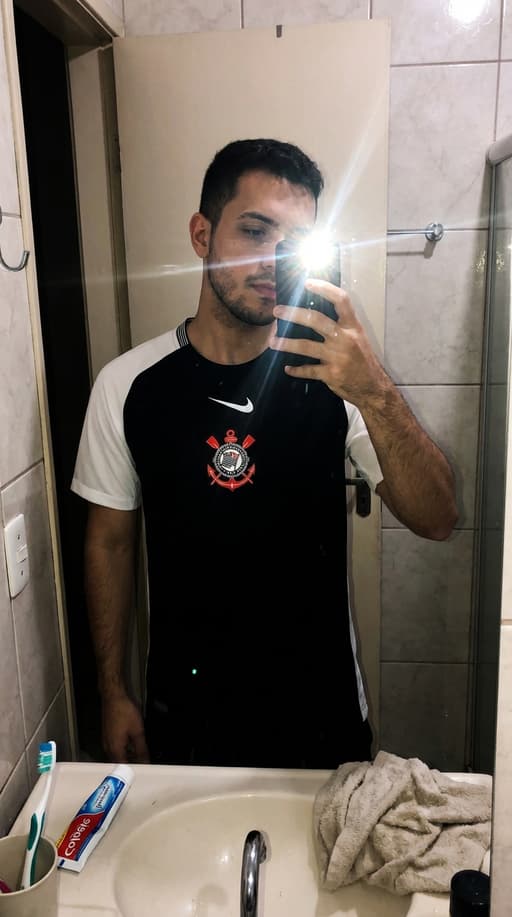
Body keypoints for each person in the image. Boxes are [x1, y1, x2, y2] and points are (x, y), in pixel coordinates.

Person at [71, 138, 457, 769]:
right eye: (254, 232)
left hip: (320, 711)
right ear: (202, 234)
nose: (270, 261)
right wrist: (112, 692)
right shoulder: (128, 386)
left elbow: (436, 518)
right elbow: (110, 542)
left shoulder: (337, 378)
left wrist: (375, 391)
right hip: (185, 712)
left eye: (292, 242)